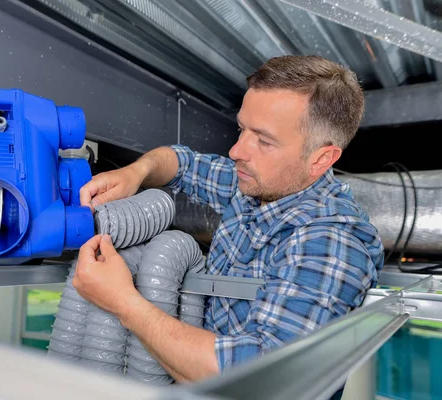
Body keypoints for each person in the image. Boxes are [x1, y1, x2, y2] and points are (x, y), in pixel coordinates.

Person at [72, 55, 384, 384]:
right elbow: (182, 162)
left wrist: (122, 301)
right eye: (242, 129)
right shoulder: (258, 184)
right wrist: (136, 172)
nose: (237, 151)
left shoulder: (332, 241)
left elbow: (260, 379)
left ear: (322, 158)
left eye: (264, 140)